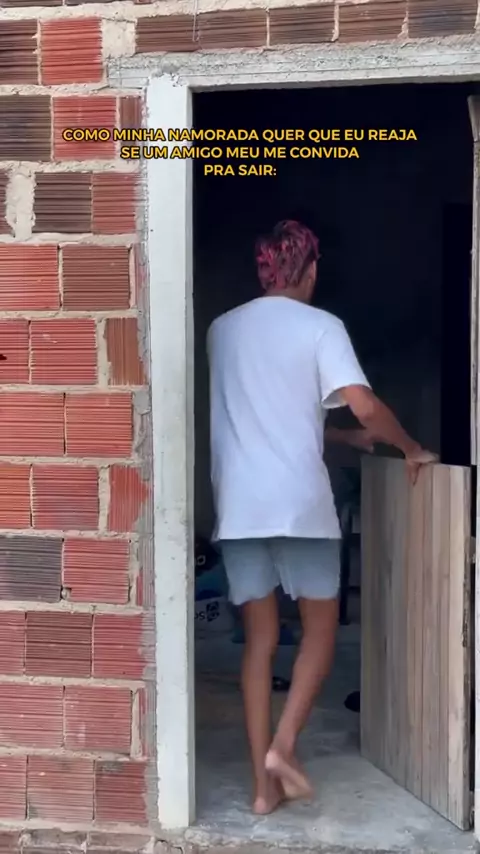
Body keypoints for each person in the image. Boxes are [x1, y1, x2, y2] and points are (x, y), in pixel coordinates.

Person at [206, 219, 437, 816]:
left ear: (264, 270)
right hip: (301, 508)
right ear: (310, 270)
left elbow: (267, 418)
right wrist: (408, 447)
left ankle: (262, 791)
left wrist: (341, 438)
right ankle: (283, 748)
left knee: (259, 642)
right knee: (321, 632)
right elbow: (364, 402)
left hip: (240, 509)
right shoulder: (321, 326)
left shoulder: (221, 330)